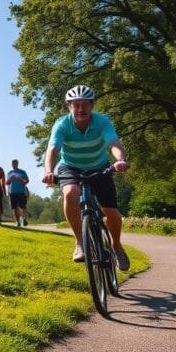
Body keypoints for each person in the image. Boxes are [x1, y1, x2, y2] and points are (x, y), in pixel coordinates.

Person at [41, 85, 131, 270]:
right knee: (70, 193)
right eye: (76, 104)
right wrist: (49, 171)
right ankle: (80, 242)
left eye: (85, 104)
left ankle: (116, 246)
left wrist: (120, 160)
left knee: (111, 212)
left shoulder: (102, 121)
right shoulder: (62, 124)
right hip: (70, 167)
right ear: (69, 106)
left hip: (99, 166)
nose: (80, 109)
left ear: (92, 105)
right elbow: (53, 149)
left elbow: (113, 143)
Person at [6, 159, 30, 227]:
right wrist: (10, 178)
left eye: (15, 163)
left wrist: (20, 179)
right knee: (15, 208)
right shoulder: (9, 173)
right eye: (13, 163)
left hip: (21, 192)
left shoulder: (22, 172)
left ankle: (24, 219)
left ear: (17, 164)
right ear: (11, 164)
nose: (14, 164)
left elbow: (27, 181)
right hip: (12, 192)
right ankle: (18, 222)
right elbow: (7, 183)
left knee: (23, 207)